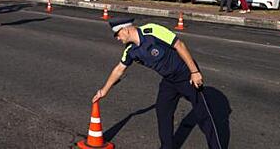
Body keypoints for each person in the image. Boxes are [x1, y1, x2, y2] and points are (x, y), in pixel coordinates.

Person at [92, 18, 222, 149]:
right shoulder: (130, 51)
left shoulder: (152, 31)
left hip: (186, 75)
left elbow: (179, 45)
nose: (117, 38)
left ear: (126, 29)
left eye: (117, 34)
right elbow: (119, 69)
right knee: (163, 113)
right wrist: (104, 91)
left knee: (203, 115)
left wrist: (194, 72)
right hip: (169, 81)